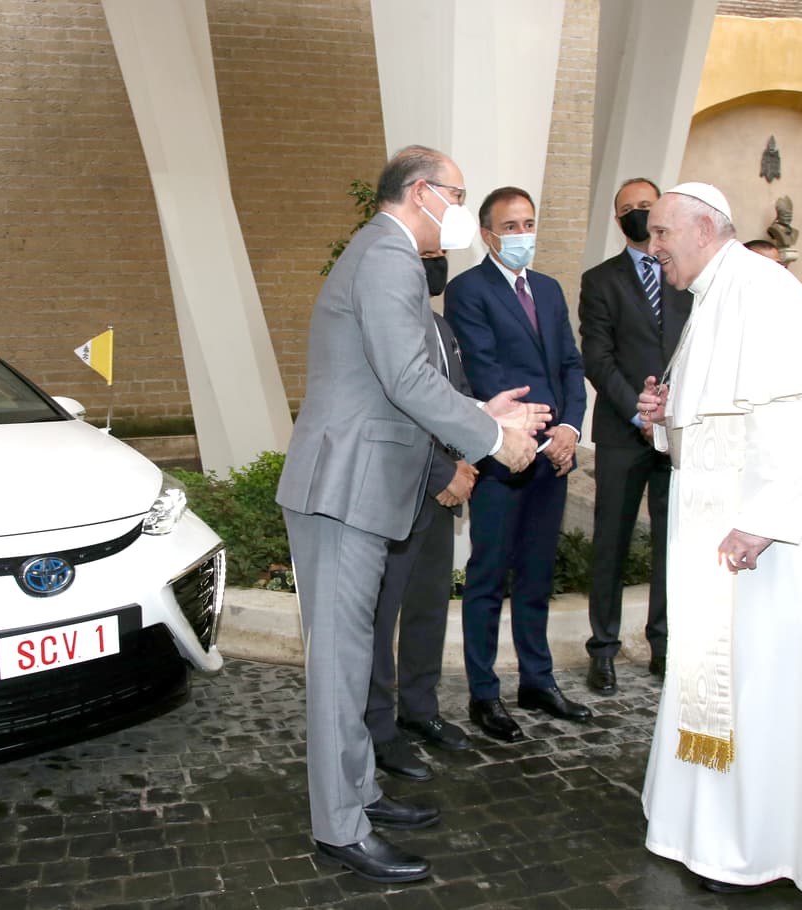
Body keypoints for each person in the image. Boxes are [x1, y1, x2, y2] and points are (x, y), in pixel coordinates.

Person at [276, 146, 548, 884]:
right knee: (339, 665)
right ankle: (338, 828)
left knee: (355, 657)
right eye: (457, 195)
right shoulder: (389, 255)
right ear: (424, 193)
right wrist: (495, 439)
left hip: (361, 485)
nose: (461, 211)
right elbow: (403, 378)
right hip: (345, 490)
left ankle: (359, 794)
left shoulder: (383, 254)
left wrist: (479, 413)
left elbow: (407, 380)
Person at [637, 182, 802, 899]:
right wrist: (665, 416)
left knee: (765, 680)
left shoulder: (762, 289)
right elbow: (718, 418)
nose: (654, 250)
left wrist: (762, 521)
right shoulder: (716, 293)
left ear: (706, 228)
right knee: (724, 675)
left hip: (776, 535)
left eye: (661, 234)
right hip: (737, 523)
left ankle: (756, 841)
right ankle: (709, 828)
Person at [444, 186, 591, 744]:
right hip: (505, 457)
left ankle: (538, 679)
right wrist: (531, 431)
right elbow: (484, 373)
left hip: (553, 457)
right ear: (487, 234)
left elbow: (571, 366)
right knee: (488, 575)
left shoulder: (550, 290)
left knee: (536, 575)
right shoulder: (468, 291)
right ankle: (485, 693)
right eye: (510, 226)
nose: (522, 234)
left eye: (528, 223)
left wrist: (569, 431)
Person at [578, 178, 691, 694]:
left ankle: (663, 644)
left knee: (672, 542)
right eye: (629, 210)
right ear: (617, 219)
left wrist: (671, 412)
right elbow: (597, 358)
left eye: (647, 207)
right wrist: (639, 412)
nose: (639, 215)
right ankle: (603, 648)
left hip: (681, 430)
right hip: (626, 432)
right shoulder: (601, 280)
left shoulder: (685, 276)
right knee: (612, 542)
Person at [367, 261, 476, 783]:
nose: (435, 266)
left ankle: (419, 708)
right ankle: (379, 728)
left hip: (443, 492)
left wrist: (469, 459)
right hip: (399, 494)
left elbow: (458, 401)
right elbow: (397, 408)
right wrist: (442, 472)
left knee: (429, 606)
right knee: (380, 618)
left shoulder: (442, 326)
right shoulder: (387, 325)